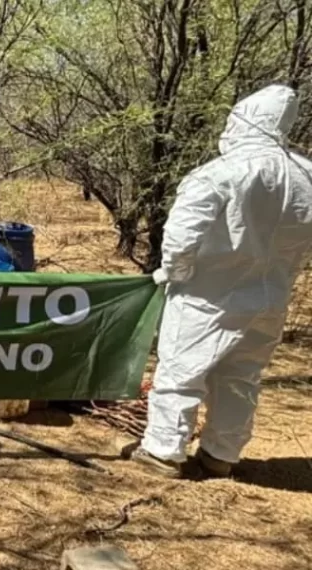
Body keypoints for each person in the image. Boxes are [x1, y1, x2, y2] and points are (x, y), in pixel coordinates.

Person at [132, 85, 312, 478]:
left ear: (244, 122)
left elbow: (181, 239)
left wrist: (172, 276)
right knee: (241, 376)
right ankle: (220, 456)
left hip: (207, 296)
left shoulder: (221, 174)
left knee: (181, 372)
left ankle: (163, 451)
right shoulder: (306, 178)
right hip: (270, 298)